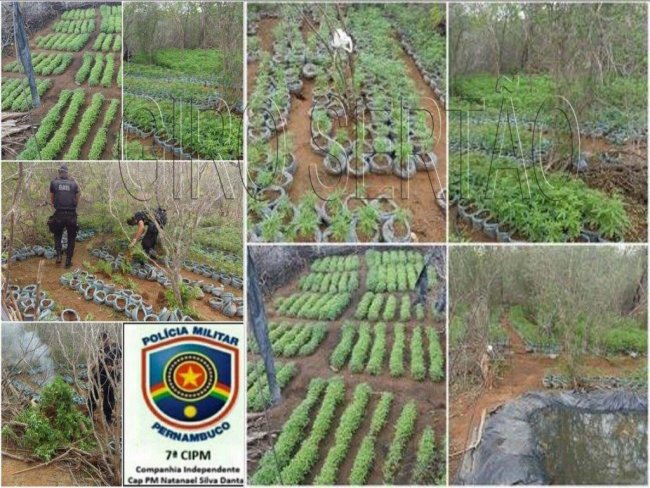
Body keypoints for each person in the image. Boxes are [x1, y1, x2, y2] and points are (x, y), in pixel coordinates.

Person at [48, 165, 79, 268]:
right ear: (67, 173)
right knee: (71, 238)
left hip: (59, 214)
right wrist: (73, 206)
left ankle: (59, 256)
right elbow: (76, 198)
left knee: (57, 235)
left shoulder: (54, 183)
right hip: (71, 215)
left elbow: (52, 198)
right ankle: (68, 261)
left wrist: (55, 205)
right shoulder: (73, 184)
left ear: (59, 173)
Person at [89, 333, 121, 425]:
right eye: (102, 340)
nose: (103, 341)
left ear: (109, 338)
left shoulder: (118, 348)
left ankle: (108, 418)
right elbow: (97, 360)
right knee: (93, 394)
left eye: (105, 339)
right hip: (100, 375)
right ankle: (90, 413)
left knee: (109, 398)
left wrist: (115, 367)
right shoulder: (101, 349)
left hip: (112, 376)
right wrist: (90, 368)